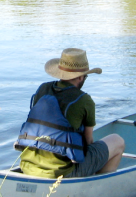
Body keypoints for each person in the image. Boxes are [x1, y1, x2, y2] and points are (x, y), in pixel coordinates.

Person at [16, 48, 125, 179]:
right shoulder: (84, 100)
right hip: (62, 173)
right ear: (80, 77)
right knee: (117, 141)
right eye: (86, 76)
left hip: (27, 167)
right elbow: (88, 141)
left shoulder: (42, 89)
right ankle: (99, 186)